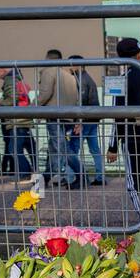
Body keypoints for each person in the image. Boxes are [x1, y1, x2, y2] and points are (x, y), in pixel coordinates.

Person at [106, 38, 140, 216]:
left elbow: (118, 115)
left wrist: (112, 146)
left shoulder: (122, 81)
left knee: (134, 184)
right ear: (137, 54)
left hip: (131, 136)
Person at [37, 48, 82, 189]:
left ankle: (81, 175)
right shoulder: (69, 75)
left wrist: (32, 107)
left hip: (54, 115)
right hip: (68, 116)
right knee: (54, 147)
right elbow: (76, 98)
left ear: (47, 58)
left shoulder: (49, 71)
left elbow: (45, 93)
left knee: (62, 148)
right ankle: (45, 177)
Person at [66, 56, 105, 185]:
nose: (69, 67)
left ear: (78, 65)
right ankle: (100, 177)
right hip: (92, 119)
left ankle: (72, 178)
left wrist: (79, 121)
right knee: (95, 150)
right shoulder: (87, 78)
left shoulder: (80, 80)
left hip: (84, 120)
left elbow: (81, 102)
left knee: (72, 149)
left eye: (71, 64)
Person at [0, 65, 37, 178]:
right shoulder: (20, 81)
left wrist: (0, 102)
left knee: (13, 149)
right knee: (30, 148)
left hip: (16, 121)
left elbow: (12, 99)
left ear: (5, 70)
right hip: (25, 120)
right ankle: (35, 171)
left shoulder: (9, 80)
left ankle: (25, 173)